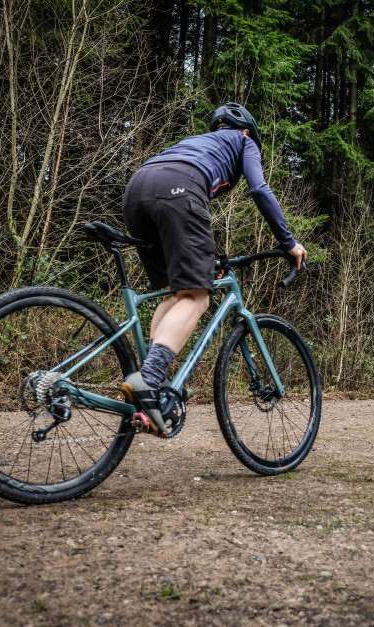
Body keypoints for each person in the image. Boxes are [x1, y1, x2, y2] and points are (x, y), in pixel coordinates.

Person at [120, 102, 307, 435]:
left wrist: (208, 262)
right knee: (197, 297)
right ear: (247, 131)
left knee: (175, 293)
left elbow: (188, 224)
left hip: (137, 189)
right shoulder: (243, 141)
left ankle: (154, 383)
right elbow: (259, 189)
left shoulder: (198, 143)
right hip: (179, 188)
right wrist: (288, 241)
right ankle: (149, 379)